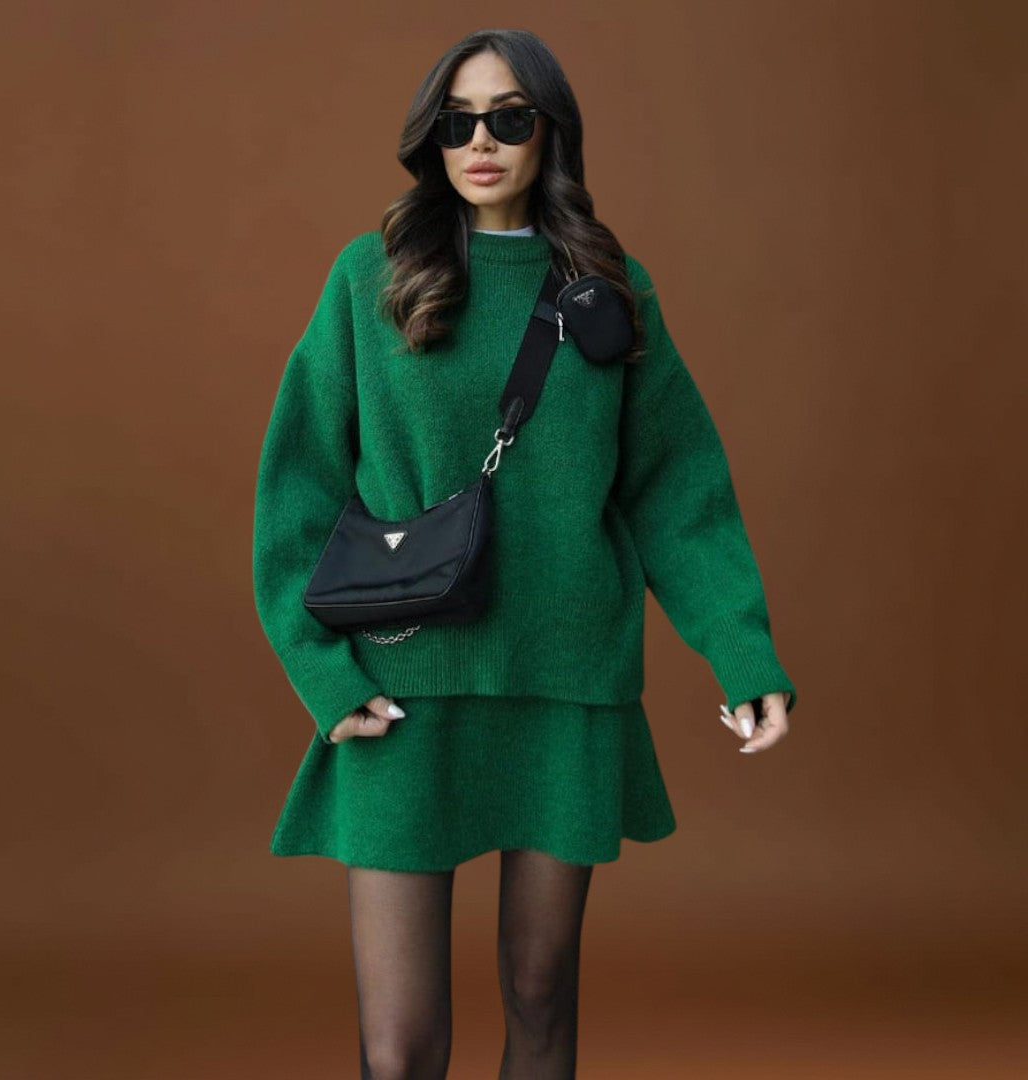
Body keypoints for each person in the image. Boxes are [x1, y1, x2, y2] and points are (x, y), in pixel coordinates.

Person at [252, 27, 798, 1080]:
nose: (481, 142)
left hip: (563, 684)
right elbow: (299, 488)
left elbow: (675, 489)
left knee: (542, 1003)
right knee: (400, 1048)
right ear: (432, 138)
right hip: (405, 686)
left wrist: (742, 653)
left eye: (508, 118)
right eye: (457, 122)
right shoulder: (372, 277)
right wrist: (324, 673)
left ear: (550, 132)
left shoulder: (608, 286)